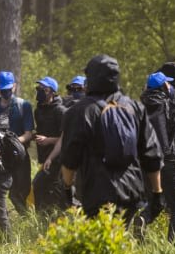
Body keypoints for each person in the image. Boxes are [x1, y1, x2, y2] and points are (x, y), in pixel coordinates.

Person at [59, 54, 163, 221]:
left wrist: (67, 189)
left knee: (100, 242)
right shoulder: (135, 107)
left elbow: (69, 158)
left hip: (95, 193)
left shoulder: (79, 111)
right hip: (131, 191)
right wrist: (157, 192)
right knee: (124, 238)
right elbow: (152, 154)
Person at [144, 65, 175, 242]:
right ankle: (173, 250)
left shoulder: (141, 105)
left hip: (148, 163)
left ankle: (138, 230)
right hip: (169, 160)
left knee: (157, 201)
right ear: (165, 87)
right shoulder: (167, 105)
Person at [0, 71, 34, 232]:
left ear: (14, 86)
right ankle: (1, 225)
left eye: (8, 89)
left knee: (19, 192)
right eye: (2, 90)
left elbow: (28, 133)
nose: (5, 93)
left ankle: (27, 224)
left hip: (18, 155)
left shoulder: (23, 105)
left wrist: (11, 143)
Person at [32, 76, 72, 213]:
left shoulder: (61, 111)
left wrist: (48, 140)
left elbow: (66, 137)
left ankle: (52, 221)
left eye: (44, 89)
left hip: (59, 159)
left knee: (42, 186)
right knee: (45, 190)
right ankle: (45, 221)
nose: (40, 91)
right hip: (45, 158)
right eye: (38, 89)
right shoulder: (38, 111)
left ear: (52, 92)